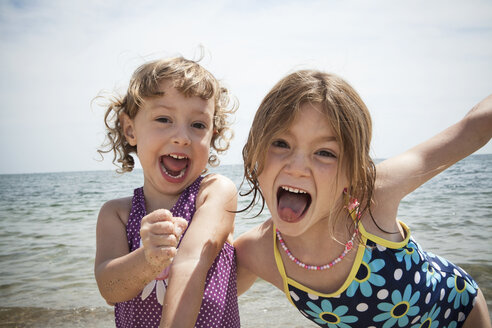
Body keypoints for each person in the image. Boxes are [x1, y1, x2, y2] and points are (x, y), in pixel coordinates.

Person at [235, 70, 492, 328]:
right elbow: (212, 296)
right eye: (281, 143)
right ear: (256, 154)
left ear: (352, 171)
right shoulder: (255, 251)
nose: (297, 166)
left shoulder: (372, 199)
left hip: (457, 313)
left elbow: (473, 128)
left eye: (325, 152)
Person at [94, 57, 240, 328]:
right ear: (130, 129)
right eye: (164, 119)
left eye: (198, 125)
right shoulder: (116, 215)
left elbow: (191, 261)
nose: (182, 137)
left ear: (212, 135)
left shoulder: (215, 193)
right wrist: (148, 258)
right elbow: (110, 289)